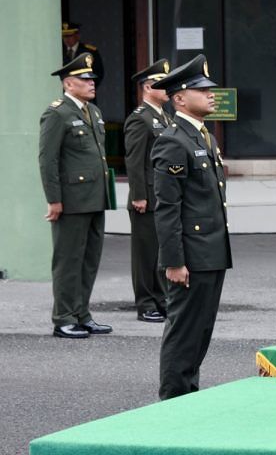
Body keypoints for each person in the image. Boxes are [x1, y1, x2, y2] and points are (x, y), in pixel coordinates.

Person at [150, 54, 232, 400]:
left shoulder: (203, 136)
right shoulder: (173, 140)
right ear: (180, 98)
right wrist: (174, 261)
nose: (211, 94)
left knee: (201, 331)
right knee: (184, 331)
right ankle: (172, 400)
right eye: (202, 89)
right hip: (191, 256)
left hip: (211, 252)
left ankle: (188, 394)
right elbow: (168, 208)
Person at [38, 52, 113, 339]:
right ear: (69, 83)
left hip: (94, 197)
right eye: (85, 79)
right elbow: (48, 160)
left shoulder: (92, 111)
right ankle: (63, 317)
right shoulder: (57, 113)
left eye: (92, 78)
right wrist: (54, 198)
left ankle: (82, 313)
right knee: (68, 260)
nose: (92, 83)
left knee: (89, 259)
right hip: (71, 200)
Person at [124, 59, 172, 323]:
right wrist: (138, 195)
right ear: (148, 87)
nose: (168, 90)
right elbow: (134, 160)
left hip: (162, 195)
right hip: (147, 197)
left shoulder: (163, 117)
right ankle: (145, 303)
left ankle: (161, 299)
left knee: (160, 252)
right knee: (145, 254)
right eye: (162, 85)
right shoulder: (140, 119)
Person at [61, 22, 105, 88]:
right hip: (66, 92)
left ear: (77, 36)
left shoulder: (89, 51)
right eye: (64, 36)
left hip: (85, 92)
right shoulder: (60, 51)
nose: (66, 39)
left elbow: (98, 73)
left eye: (70, 36)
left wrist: (88, 87)